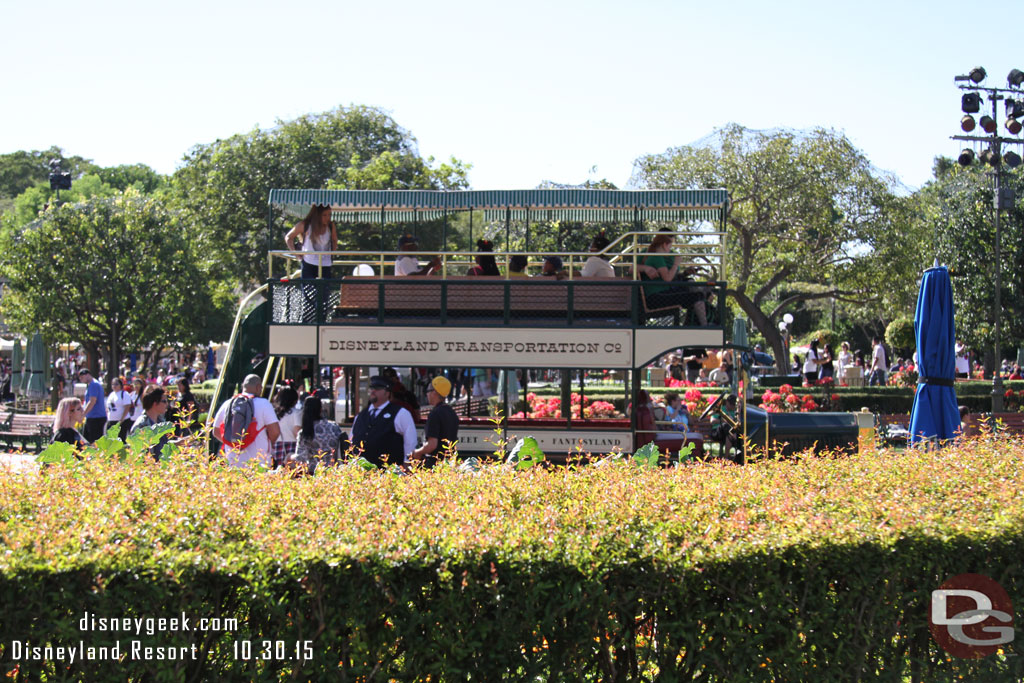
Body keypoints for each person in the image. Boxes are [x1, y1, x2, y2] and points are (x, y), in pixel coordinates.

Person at [212, 374, 281, 468]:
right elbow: (275, 431)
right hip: (258, 463)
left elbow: (216, 431)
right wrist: (269, 443)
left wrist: (232, 443)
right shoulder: (264, 404)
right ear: (258, 387)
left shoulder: (228, 403)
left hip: (233, 463)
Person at [638, 233, 708, 325]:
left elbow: (670, 278)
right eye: (670, 247)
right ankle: (705, 326)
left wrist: (684, 273)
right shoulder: (656, 257)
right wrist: (676, 264)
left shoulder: (656, 256)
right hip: (655, 298)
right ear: (664, 245)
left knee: (693, 291)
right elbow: (667, 278)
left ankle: (691, 325)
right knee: (696, 296)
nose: (670, 250)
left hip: (661, 294)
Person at [350, 375, 417, 468]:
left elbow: (410, 441)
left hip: (388, 472)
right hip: (361, 473)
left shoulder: (401, 413)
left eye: (377, 389)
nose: (373, 391)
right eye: (371, 388)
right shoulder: (361, 415)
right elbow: (352, 439)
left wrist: (408, 463)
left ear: (387, 393)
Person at [409, 376, 459, 467]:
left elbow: (432, 445)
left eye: (427, 391)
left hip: (434, 464)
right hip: (449, 463)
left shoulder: (435, 414)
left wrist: (417, 452)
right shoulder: (451, 412)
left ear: (434, 392)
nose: (426, 394)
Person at [289, 394, 345, 475]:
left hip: (314, 473)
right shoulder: (334, 427)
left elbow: (300, 458)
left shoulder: (305, 432)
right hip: (333, 472)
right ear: (320, 409)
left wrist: (290, 457)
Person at [284, 204, 338, 280]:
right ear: (317, 215)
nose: (328, 218)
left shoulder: (331, 226)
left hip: (325, 264)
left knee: (324, 290)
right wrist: (296, 254)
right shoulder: (305, 225)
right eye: (324, 215)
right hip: (309, 263)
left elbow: (334, 239)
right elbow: (288, 237)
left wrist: (332, 253)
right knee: (308, 290)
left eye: (329, 214)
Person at [129, 386, 174, 460]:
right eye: (164, 401)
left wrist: (179, 442)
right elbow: (137, 455)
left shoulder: (161, 421)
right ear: (155, 403)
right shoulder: (141, 425)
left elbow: (163, 445)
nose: (167, 405)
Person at [271, 385, 302, 468]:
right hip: (291, 446)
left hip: (276, 446)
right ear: (294, 400)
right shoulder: (296, 413)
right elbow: (297, 433)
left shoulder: (273, 413)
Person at [78, 368, 108, 443]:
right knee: (87, 440)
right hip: (93, 417)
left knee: (94, 441)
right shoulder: (91, 385)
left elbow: (92, 401)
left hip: (96, 418)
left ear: (87, 375)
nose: (81, 380)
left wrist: (83, 414)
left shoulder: (93, 385)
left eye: (82, 377)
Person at [105, 377, 134, 441]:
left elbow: (127, 407)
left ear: (121, 385)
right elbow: (108, 407)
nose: (114, 386)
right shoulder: (111, 394)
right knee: (110, 440)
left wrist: (121, 419)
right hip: (111, 421)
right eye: (113, 384)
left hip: (122, 421)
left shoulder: (124, 394)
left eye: (116, 384)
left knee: (121, 440)